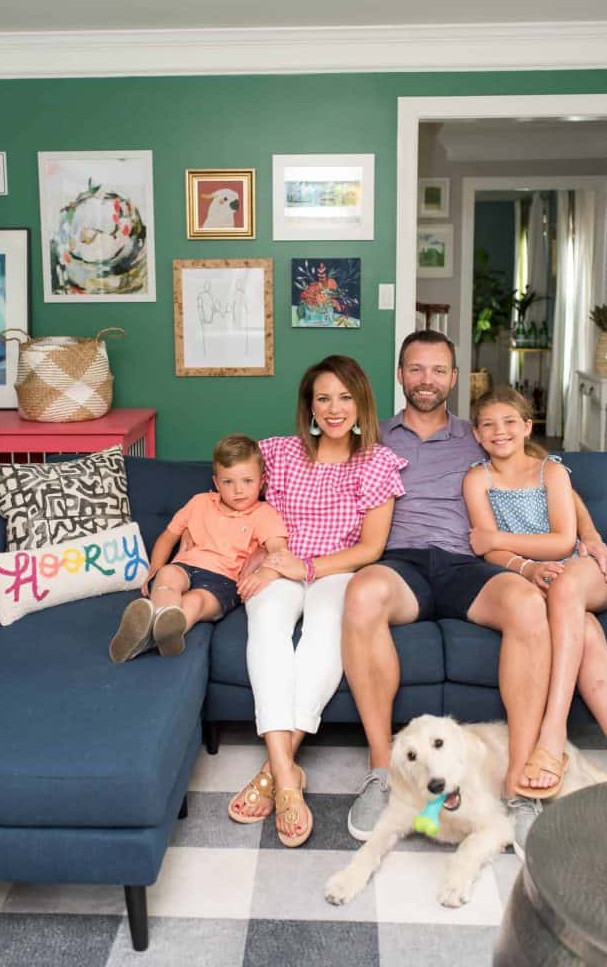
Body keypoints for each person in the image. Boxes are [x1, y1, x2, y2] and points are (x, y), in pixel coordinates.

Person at [341, 330, 607, 855]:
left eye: (438, 370)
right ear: (400, 375)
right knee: (361, 595)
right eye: (416, 369)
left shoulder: (478, 433)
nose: (427, 380)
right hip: (400, 564)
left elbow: (552, 475)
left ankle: (518, 789)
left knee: (528, 605)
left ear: (453, 378)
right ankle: (381, 771)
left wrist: (593, 536)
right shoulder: (372, 437)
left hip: (469, 565)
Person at [228, 355, 406, 847]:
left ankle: (275, 770)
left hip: (335, 570)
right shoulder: (278, 454)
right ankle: (288, 777)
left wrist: (306, 568)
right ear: (308, 406)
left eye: (345, 397)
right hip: (279, 566)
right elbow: (238, 504)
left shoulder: (375, 462)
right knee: (267, 627)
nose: (334, 408)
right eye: (323, 398)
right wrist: (259, 556)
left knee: (327, 631)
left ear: (362, 404)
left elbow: (371, 548)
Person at [464, 386, 607, 794]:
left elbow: (561, 541)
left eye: (508, 422)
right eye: (488, 425)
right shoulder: (477, 480)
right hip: (538, 578)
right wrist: (524, 564)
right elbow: (490, 554)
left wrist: (494, 538)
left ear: (526, 427)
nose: (499, 432)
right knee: (587, 634)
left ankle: (552, 732)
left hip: (583, 572)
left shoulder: (550, 472)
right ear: (476, 434)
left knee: (568, 585)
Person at [108, 434, 287, 663]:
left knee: (198, 602)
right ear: (216, 483)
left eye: (247, 481)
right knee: (167, 576)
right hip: (186, 565)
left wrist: (265, 571)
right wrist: (154, 569)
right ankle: (159, 626)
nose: (238, 490)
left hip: (224, 581)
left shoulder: (264, 514)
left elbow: (278, 549)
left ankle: (156, 633)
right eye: (228, 482)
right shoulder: (200, 502)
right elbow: (167, 537)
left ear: (262, 481)